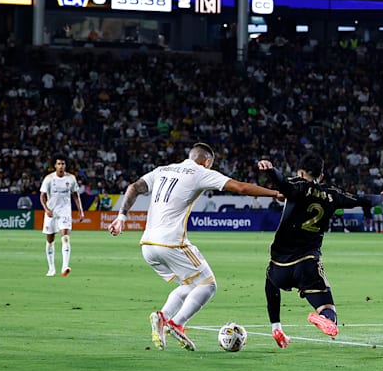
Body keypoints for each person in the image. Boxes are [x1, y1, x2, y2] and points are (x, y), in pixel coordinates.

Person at [107, 142, 283, 350]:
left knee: (190, 285)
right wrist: (275, 194)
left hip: (147, 245)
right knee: (208, 285)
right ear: (207, 161)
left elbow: (133, 188)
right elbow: (241, 188)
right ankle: (177, 324)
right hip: (170, 243)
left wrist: (121, 217)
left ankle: (162, 316)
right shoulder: (199, 172)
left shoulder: (162, 170)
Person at [256, 155, 367, 348]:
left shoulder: (297, 186)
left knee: (270, 278)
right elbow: (363, 200)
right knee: (328, 308)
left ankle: (277, 327)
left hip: (280, 267)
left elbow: (282, 183)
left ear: (300, 172)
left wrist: (270, 170)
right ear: (321, 176)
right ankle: (325, 319)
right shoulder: (332, 194)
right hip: (308, 265)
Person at [40, 157, 85, 277]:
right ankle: (51, 268)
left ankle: (65, 266)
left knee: (65, 236)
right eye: (59, 164)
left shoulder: (71, 178)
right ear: (55, 165)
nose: (61, 166)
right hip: (51, 212)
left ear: (65, 165)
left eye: (63, 164)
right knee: (50, 240)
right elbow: (42, 196)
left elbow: (75, 195)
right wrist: (46, 209)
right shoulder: (49, 179)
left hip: (65, 212)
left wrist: (80, 211)